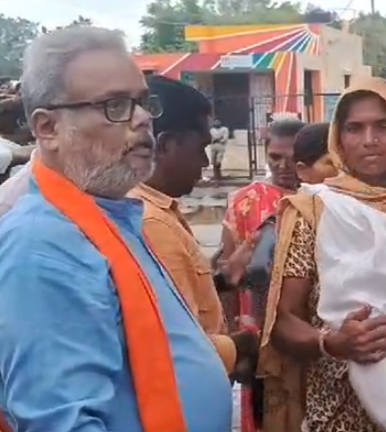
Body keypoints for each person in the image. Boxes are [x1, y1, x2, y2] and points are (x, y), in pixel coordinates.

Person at [0, 27, 231, 431]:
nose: (143, 119)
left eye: (142, 102)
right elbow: (65, 422)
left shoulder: (108, 216)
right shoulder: (42, 246)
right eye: (115, 105)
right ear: (48, 128)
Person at [258, 77, 386, 432]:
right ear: (338, 138)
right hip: (340, 411)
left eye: (383, 126)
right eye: (354, 128)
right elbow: (283, 320)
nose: (370, 140)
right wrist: (333, 342)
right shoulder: (316, 211)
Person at [128, 74, 260, 380]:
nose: (204, 162)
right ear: (165, 146)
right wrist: (246, 344)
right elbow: (179, 347)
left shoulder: (158, 209)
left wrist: (223, 279)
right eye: (200, 148)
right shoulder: (150, 222)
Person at [219, 116, 306, 431]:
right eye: (275, 157)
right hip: (257, 328)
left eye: (292, 158)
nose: (283, 165)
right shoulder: (246, 200)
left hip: (307, 324)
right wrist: (233, 336)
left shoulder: (321, 198)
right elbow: (229, 270)